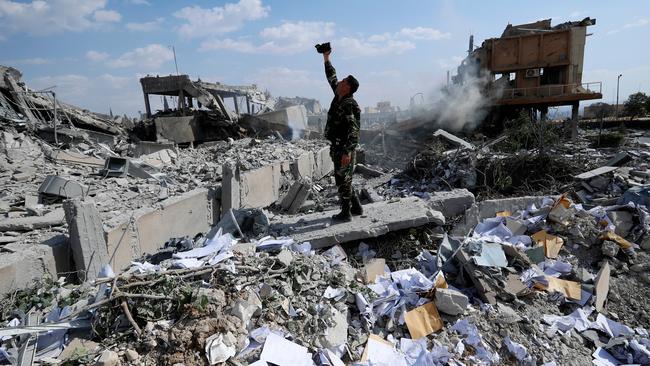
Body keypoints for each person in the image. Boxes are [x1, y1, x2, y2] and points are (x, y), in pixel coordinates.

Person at [322, 47, 363, 222]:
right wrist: (326, 57)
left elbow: (354, 130)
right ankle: (357, 207)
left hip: (344, 148)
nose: (339, 82)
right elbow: (331, 77)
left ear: (347, 88)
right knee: (343, 178)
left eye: (343, 81)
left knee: (343, 180)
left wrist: (347, 151)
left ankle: (346, 213)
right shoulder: (338, 96)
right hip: (337, 146)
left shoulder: (348, 104)